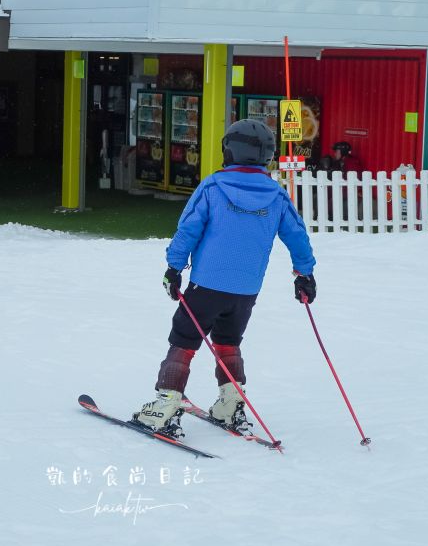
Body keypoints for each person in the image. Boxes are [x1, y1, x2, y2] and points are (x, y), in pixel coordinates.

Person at [133, 119, 318, 438]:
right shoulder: (275, 195)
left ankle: (165, 406)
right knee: (228, 342)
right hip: (246, 290)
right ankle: (231, 404)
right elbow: (297, 236)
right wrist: (304, 274)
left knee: (184, 340)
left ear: (229, 150)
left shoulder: (214, 187)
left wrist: (173, 268)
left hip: (206, 284)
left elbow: (188, 229)